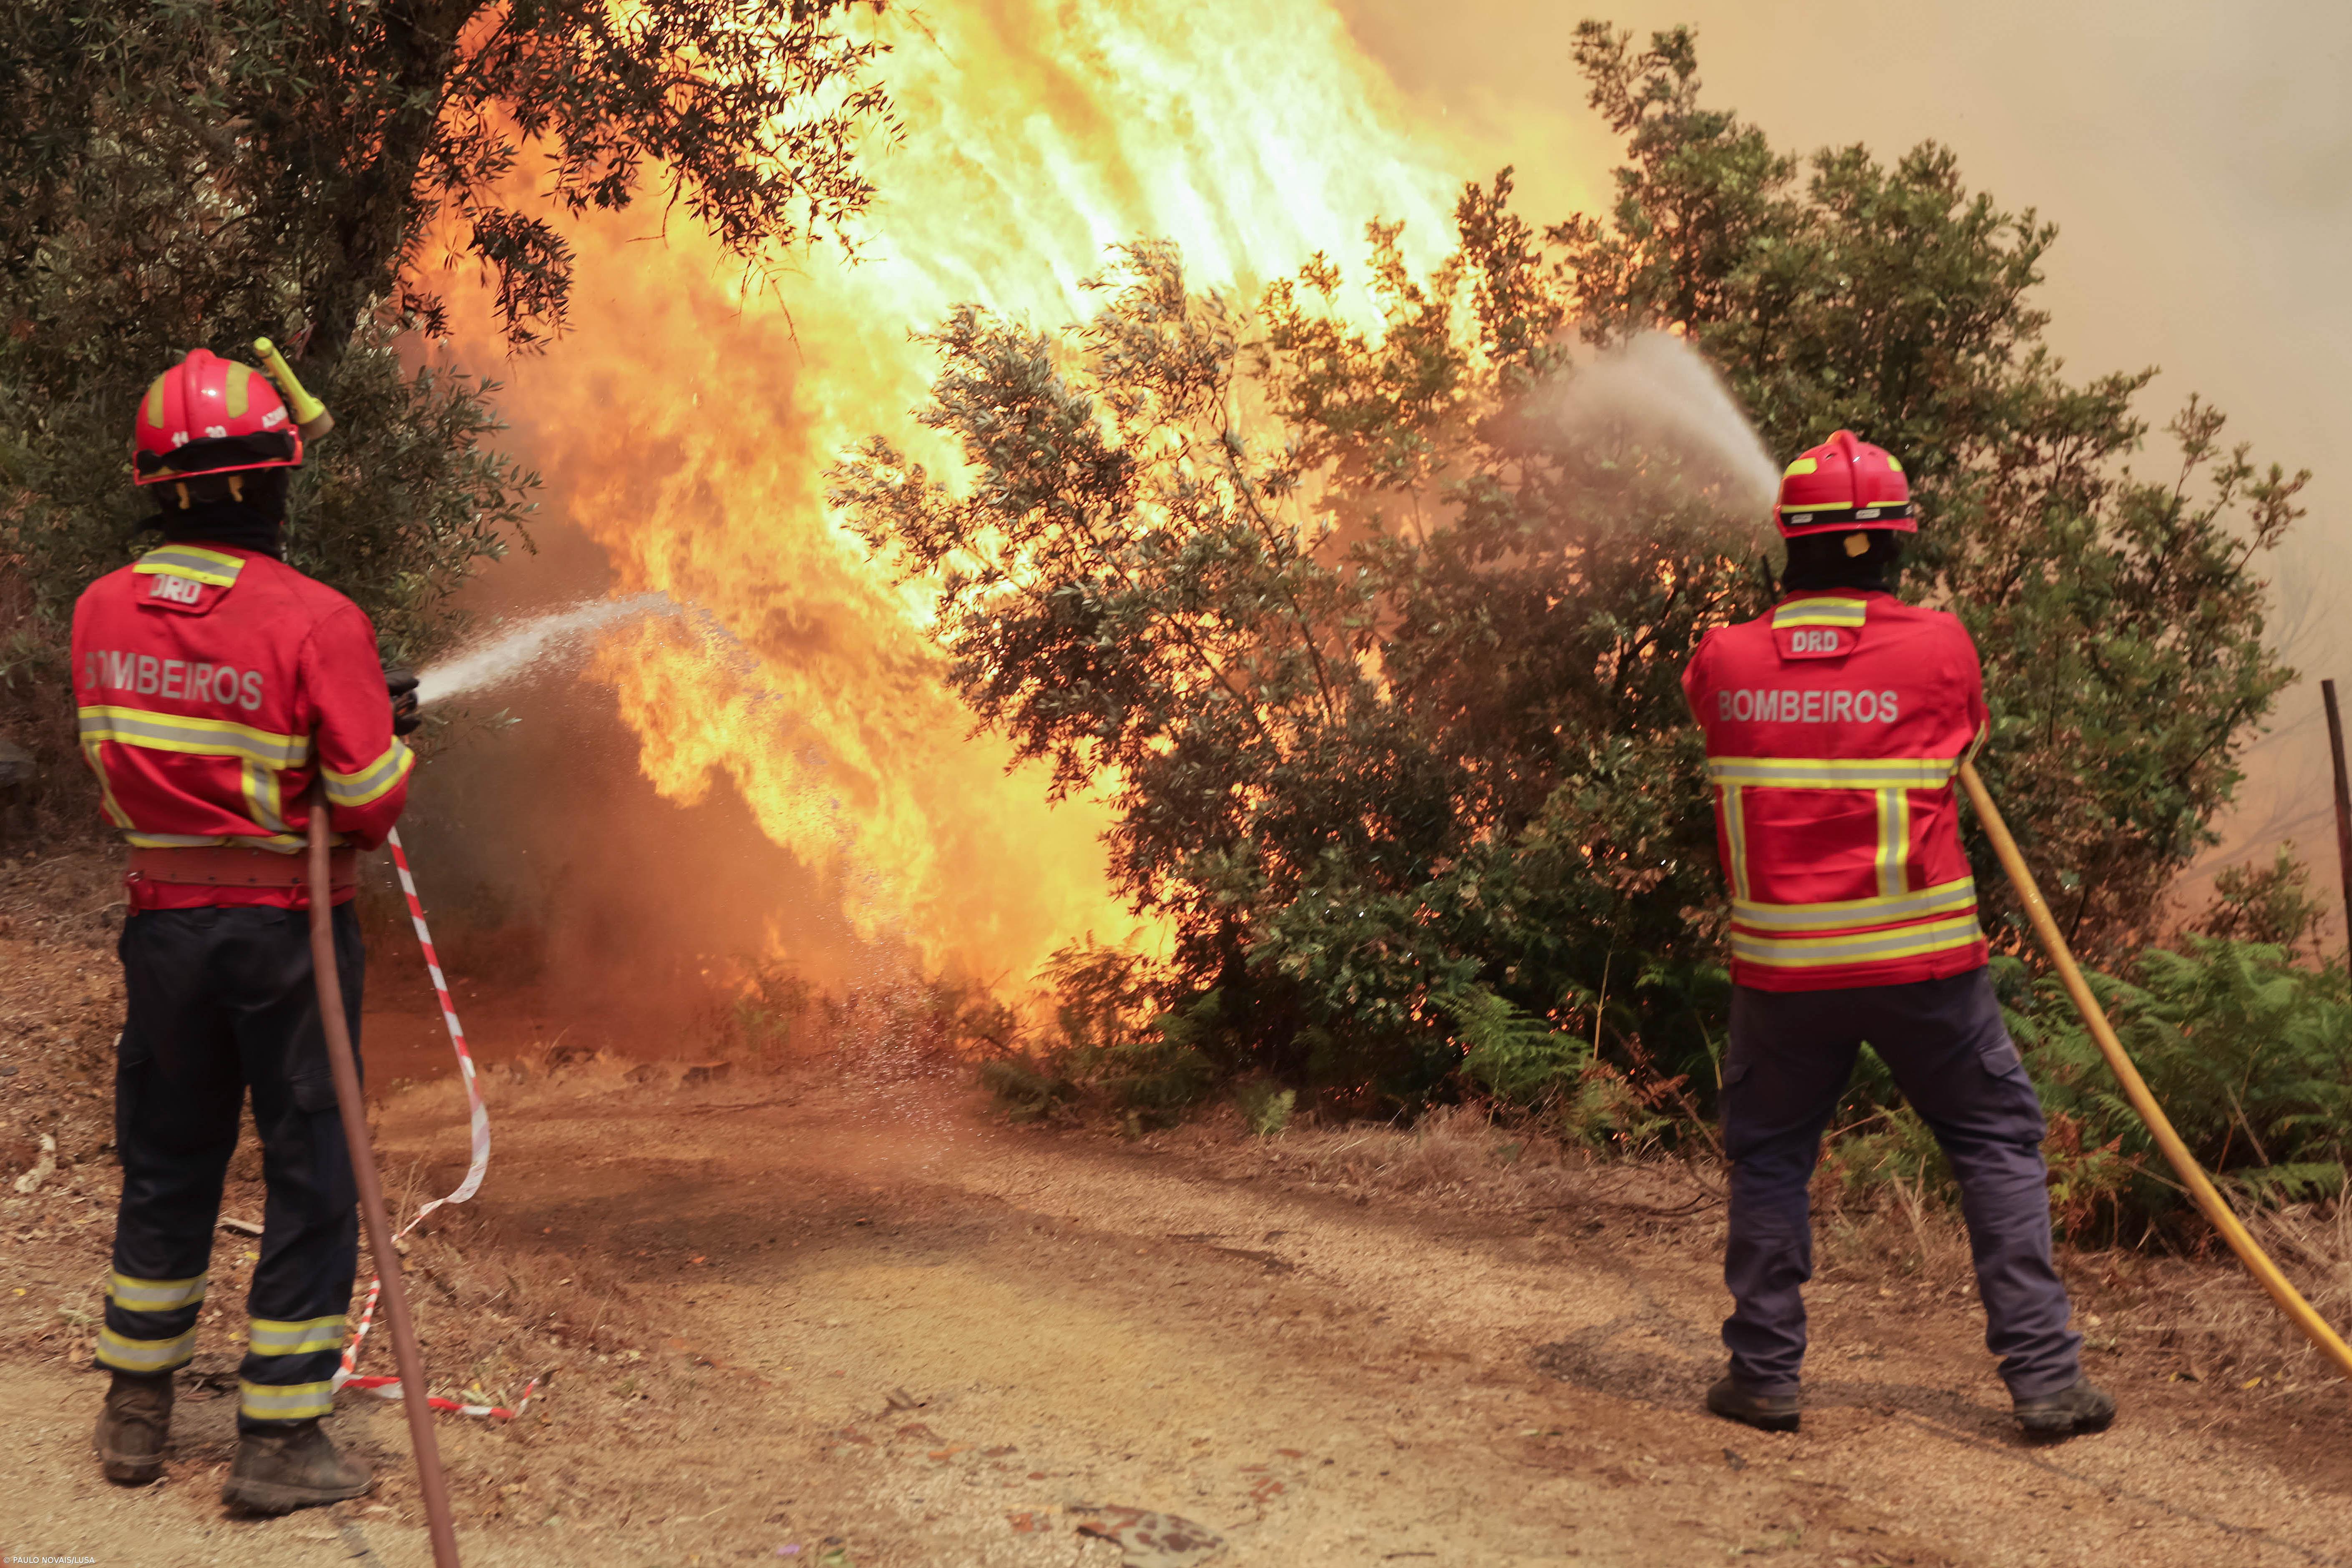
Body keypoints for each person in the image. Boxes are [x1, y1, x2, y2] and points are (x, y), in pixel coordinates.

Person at [1680, 430, 2113, 1439]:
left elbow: (1727, 711)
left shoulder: (1724, 658)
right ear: (1890, 544)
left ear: (1790, 540)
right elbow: (1965, 734)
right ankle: (2045, 1379)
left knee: (1772, 1156)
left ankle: (1763, 1376)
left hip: (1783, 975)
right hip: (1925, 970)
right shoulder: (1938, 646)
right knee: (1995, 1142)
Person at [71, 347, 420, 1511]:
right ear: (271, 480)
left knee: (169, 1156)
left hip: (164, 932)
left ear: (155, 487)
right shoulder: (318, 620)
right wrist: (389, 731)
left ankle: (135, 1411)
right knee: (312, 1167)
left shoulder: (97, 611)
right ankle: (278, 1440)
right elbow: (366, 802)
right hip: (288, 937)